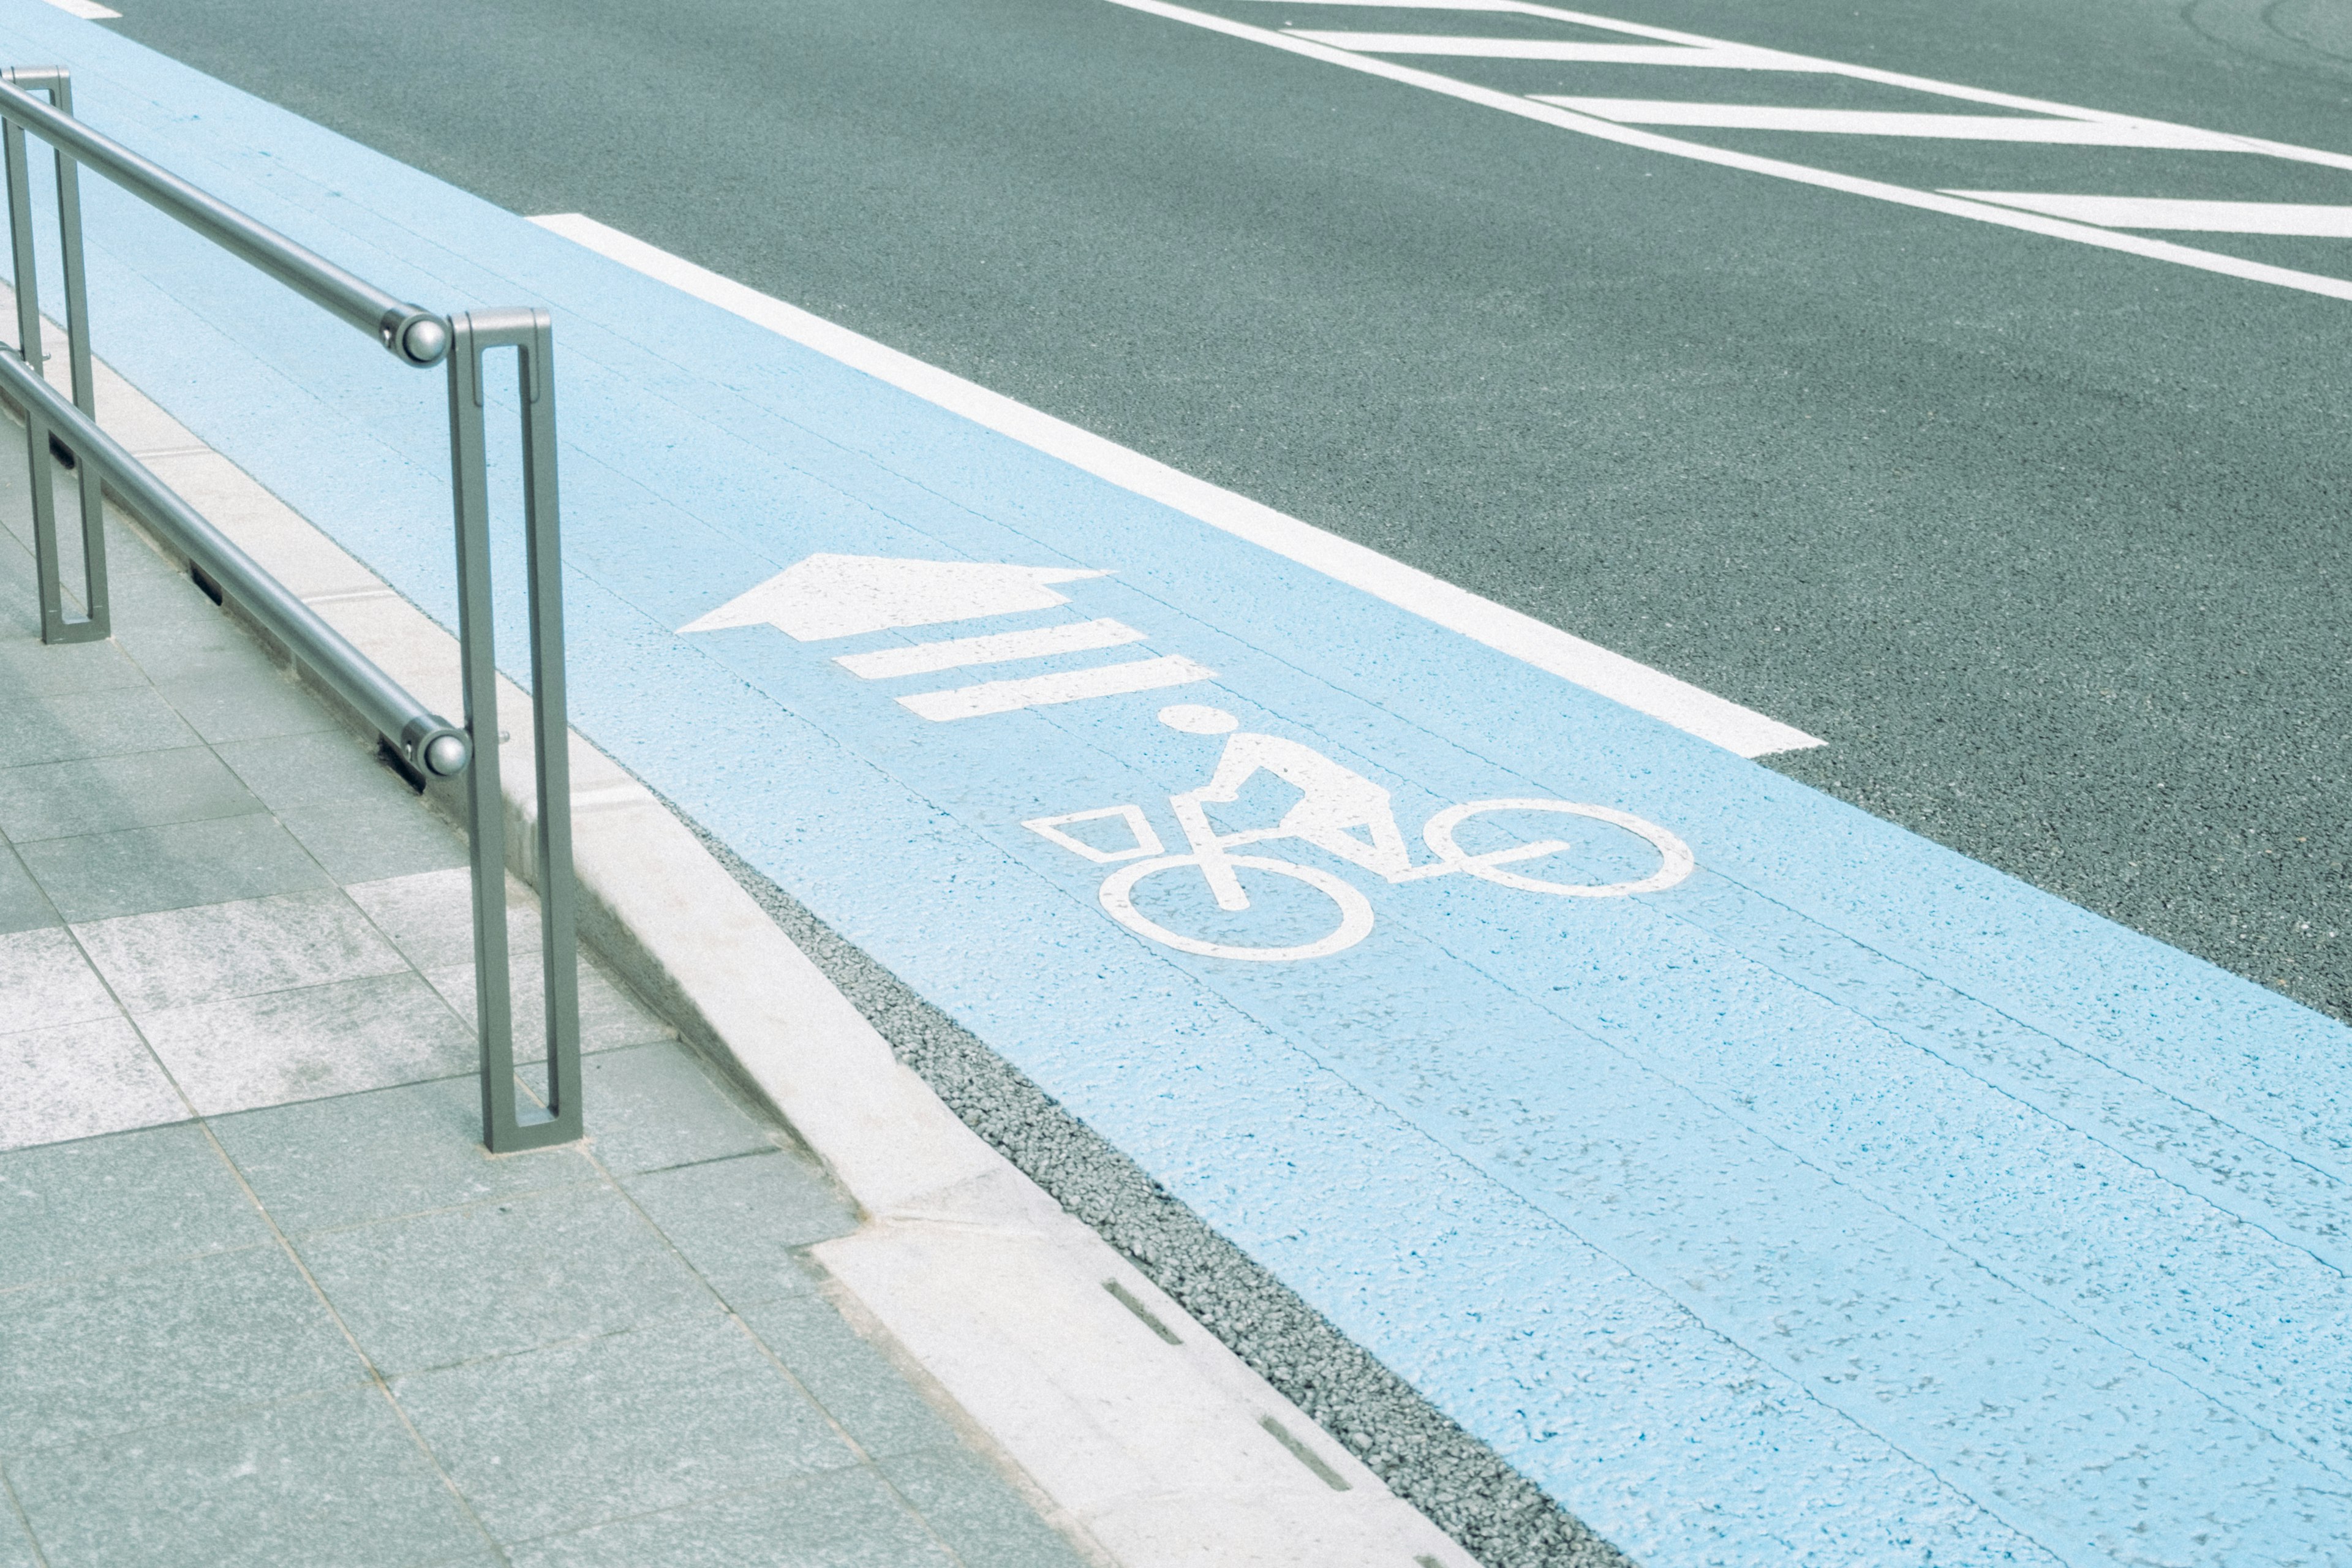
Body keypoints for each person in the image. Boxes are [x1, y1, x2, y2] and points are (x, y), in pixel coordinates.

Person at [1159, 704, 1411, 881]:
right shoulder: (1259, 741)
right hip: (1353, 790)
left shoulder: (1246, 742)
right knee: (1373, 818)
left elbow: (1230, 776)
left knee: (1300, 825)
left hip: (1344, 792)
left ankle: (1390, 866)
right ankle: (1397, 866)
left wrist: (1218, 792)